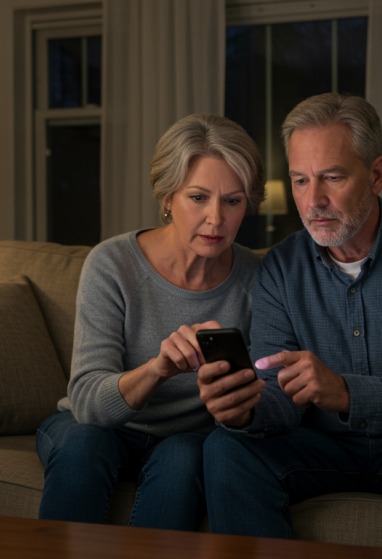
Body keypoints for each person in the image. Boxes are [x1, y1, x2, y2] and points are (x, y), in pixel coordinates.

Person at [196, 93, 382, 553]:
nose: (313, 200)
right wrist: (246, 410)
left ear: (376, 174)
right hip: (327, 449)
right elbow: (278, 390)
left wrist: (347, 392)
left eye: (332, 177)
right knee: (226, 447)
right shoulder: (279, 267)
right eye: (300, 180)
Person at [36, 113, 264, 530]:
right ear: (166, 197)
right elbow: (87, 400)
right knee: (83, 445)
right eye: (198, 197)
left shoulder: (258, 277)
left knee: (185, 457)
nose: (216, 218)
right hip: (95, 425)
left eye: (232, 200)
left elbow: (263, 397)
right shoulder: (112, 264)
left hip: (185, 437)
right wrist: (159, 369)